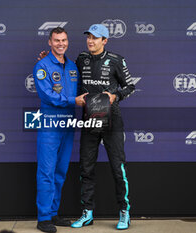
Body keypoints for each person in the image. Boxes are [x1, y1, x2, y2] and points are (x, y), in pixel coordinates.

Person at [70, 24, 135, 230]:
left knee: (118, 167)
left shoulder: (116, 60)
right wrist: (46, 60)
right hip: (89, 119)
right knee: (86, 167)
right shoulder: (81, 58)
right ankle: (87, 213)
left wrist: (116, 96)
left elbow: (130, 86)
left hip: (112, 119)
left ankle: (124, 212)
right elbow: (68, 74)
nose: (91, 41)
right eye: (88, 37)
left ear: (104, 40)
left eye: (95, 38)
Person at [33, 27, 86, 233]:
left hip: (68, 125)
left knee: (60, 171)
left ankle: (53, 213)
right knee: (46, 171)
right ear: (49, 42)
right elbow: (47, 96)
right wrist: (73, 101)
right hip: (49, 126)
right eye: (56, 40)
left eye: (64, 40)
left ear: (67, 42)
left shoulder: (72, 66)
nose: (60, 44)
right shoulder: (42, 66)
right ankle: (43, 217)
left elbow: (82, 91)